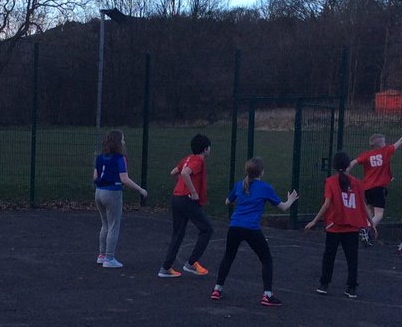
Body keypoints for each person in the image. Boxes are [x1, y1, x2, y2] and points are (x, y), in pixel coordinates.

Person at [209, 157, 298, 306]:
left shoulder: (240, 185)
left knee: (228, 257)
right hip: (251, 228)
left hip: (235, 226)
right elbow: (283, 207)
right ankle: (267, 295)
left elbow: (227, 202)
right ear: (261, 172)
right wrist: (291, 199)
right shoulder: (265, 188)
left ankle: (217, 289)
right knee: (266, 259)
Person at [304, 152, 375, 298]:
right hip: (352, 226)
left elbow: (327, 203)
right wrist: (371, 224)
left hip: (335, 225)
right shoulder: (357, 182)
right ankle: (352, 287)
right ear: (349, 165)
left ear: (334, 166)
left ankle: (324, 284)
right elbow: (362, 204)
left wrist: (315, 220)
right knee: (352, 257)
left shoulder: (331, 181)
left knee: (329, 255)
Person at [348, 123, 402, 245]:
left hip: (366, 188)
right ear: (380, 144)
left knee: (370, 212)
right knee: (379, 215)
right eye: (384, 142)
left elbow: (352, 163)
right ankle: (365, 230)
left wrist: (345, 174)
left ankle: (366, 236)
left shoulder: (366, 155)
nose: (386, 143)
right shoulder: (385, 151)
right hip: (378, 187)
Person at [159, 133, 213, 278]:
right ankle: (191, 263)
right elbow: (184, 173)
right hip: (186, 199)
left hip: (177, 197)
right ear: (206, 149)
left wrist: (181, 185)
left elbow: (174, 172)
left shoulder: (187, 158)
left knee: (178, 233)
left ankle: (166, 267)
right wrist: (193, 192)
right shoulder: (198, 161)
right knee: (207, 229)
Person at [93, 129, 148, 269]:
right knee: (113, 226)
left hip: (99, 192)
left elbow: (95, 177)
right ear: (118, 142)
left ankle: (101, 255)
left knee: (105, 224)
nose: (124, 142)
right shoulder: (119, 159)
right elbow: (124, 179)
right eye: (123, 139)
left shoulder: (99, 158)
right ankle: (109, 257)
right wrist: (140, 190)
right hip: (112, 193)